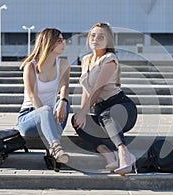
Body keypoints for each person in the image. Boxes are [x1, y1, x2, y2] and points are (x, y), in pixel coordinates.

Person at [71, 22, 138, 175]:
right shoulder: (86, 59)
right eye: (93, 35)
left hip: (121, 107)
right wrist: (82, 115)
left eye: (101, 36)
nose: (95, 39)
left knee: (106, 115)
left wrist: (85, 112)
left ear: (108, 41)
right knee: (76, 120)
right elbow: (86, 90)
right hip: (100, 110)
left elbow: (97, 88)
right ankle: (110, 156)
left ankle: (124, 153)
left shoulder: (110, 58)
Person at [17, 28, 71, 164]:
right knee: (46, 109)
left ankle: (54, 146)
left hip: (52, 115)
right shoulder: (31, 66)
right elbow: (32, 96)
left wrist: (63, 102)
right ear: (49, 43)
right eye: (59, 40)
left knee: (64, 103)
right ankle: (55, 146)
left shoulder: (63, 64)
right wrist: (46, 116)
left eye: (63, 39)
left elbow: (65, 86)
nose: (63, 43)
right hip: (29, 118)